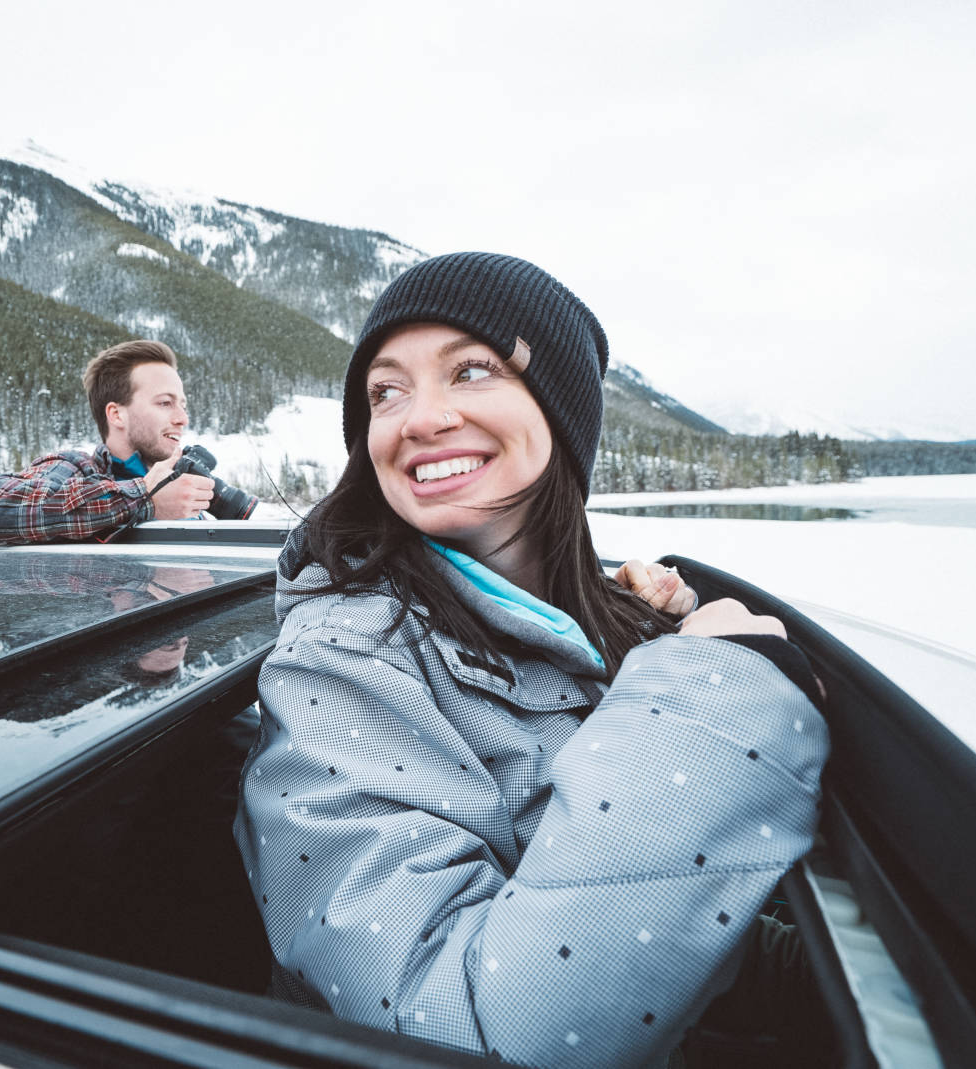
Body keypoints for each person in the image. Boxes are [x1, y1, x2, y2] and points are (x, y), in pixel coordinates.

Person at [234, 253, 828, 1068]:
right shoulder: (339, 663)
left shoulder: (600, 624)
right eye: (386, 390)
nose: (419, 417)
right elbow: (467, 1031)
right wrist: (715, 694)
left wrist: (812, 980)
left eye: (471, 370)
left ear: (560, 413)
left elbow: (601, 888)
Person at [0, 339, 216, 545]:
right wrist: (145, 499)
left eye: (183, 405)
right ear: (117, 414)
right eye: (165, 403)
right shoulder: (78, 469)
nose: (183, 418)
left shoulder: (178, 485)